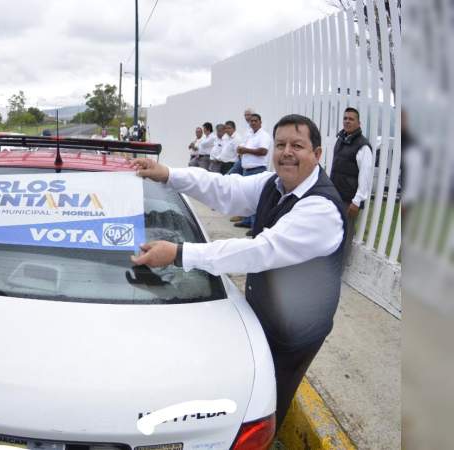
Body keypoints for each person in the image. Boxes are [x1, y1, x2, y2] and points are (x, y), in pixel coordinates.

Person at [130, 114, 346, 432]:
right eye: (281, 144)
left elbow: (259, 251)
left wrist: (178, 253)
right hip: (265, 312)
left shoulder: (321, 210)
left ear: (317, 154)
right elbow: (226, 190)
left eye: (297, 145)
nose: (287, 151)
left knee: (265, 405)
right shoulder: (275, 184)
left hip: (293, 333)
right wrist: (169, 175)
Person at [329, 107, 373, 257]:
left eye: (351, 119)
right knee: (330, 234)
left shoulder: (363, 146)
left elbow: (365, 175)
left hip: (349, 201)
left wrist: (357, 201)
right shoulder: (341, 139)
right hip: (335, 196)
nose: (347, 121)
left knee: (344, 237)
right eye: (345, 118)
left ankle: (337, 272)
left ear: (359, 123)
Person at [234, 113, 273, 234]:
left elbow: (263, 151)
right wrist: (241, 150)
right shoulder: (250, 135)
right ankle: (247, 221)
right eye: (251, 121)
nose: (253, 123)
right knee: (247, 198)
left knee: (256, 199)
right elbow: (244, 147)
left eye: (255, 121)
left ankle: (255, 225)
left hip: (257, 170)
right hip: (247, 170)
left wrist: (244, 150)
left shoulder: (264, 135)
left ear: (260, 122)